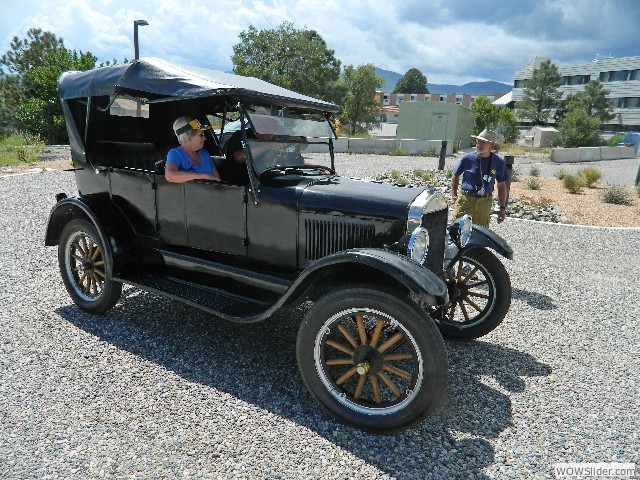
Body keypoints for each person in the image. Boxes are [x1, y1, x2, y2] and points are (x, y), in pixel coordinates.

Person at [451, 129, 509, 227]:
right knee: (455, 228)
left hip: (484, 203)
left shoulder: (498, 161)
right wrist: (454, 194)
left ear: (492, 146)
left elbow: (501, 185)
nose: (479, 144)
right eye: (478, 141)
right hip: (466, 200)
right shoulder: (467, 158)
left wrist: (502, 208)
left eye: (483, 142)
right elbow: (455, 175)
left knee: (480, 232)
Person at [219, 116, 279, 185]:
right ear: (260, 123)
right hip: (239, 184)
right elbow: (239, 157)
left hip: (265, 181)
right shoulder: (241, 135)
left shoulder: (274, 139)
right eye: (270, 123)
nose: (274, 127)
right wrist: (267, 146)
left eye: (275, 124)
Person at [165, 117, 221, 183]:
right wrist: (203, 176)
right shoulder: (175, 154)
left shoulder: (204, 154)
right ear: (187, 138)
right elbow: (170, 176)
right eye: (201, 135)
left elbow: (218, 180)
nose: (204, 138)